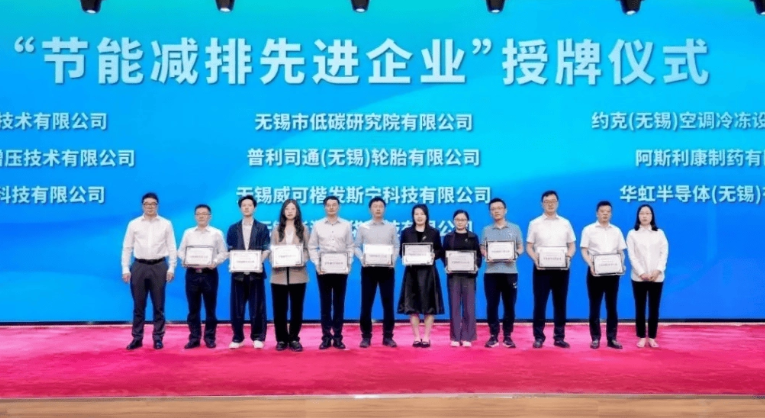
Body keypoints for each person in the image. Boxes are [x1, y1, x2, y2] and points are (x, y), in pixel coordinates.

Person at [121, 192, 177, 350]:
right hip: (139, 266)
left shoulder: (166, 224)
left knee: (159, 305)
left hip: (159, 266)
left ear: (157, 206)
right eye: (147, 204)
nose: (150, 207)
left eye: (153, 204)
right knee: (138, 305)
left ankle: (158, 337)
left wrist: (172, 267)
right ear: (142, 206)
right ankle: (137, 338)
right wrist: (125, 268)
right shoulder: (134, 224)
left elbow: (172, 247)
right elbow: (127, 247)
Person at [526, 191, 576, 349]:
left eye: (553, 201)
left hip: (561, 269)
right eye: (547, 201)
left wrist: (568, 257)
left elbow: (572, 245)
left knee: (560, 303)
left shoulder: (565, 223)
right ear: (542, 204)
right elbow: (529, 246)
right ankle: (538, 337)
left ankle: (559, 337)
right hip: (541, 269)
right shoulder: (534, 223)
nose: (550, 204)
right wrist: (536, 259)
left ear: (558, 203)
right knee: (539, 303)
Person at [177, 204, 228, 349]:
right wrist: (185, 260)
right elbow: (180, 251)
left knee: (210, 308)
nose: (201, 216)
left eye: (204, 213)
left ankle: (210, 337)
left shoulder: (216, 233)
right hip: (192, 274)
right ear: (195, 216)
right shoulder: (188, 233)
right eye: (198, 213)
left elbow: (223, 253)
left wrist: (215, 262)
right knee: (193, 309)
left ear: (209, 216)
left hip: (209, 274)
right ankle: (194, 338)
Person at [308, 196, 354, 350]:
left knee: (339, 304)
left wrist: (348, 263)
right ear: (324, 207)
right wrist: (317, 263)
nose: (332, 207)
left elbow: (350, 246)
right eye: (329, 205)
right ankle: (326, 337)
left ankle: (338, 337)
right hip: (324, 269)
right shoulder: (318, 225)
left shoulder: (346, 225)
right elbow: (312, 246)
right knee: (325, 304)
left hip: (341, 269)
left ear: (338, 207)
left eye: (334, 205)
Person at [580, 200, 627, 349]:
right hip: (595, 272)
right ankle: (595, 338)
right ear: (597, 213)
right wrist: (591, 264)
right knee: (595, 306)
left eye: (608, 211)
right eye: (602, 211)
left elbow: (620, 251)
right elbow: (584, 250)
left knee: (612, 306)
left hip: (613, 273)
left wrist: (621, 265)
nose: (605, 214)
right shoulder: (589, 230)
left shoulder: (616, 231)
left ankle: (612, 338)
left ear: (611, 213)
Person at [354, 197, 400, 348]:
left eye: (381, 206)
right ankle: (366, 336)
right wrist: (363, 258)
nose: (378, 208)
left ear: (384, 209)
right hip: (369, 269)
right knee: (366, 303)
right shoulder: (363, 227)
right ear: (370, 209)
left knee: (388, 303)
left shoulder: (391, 227)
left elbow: (396, 246)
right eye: (375, 206)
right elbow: (356, 246)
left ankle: (388, 336)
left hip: (387, 269)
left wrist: (392, 260)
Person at [226, 195, 271, 349]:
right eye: (243, 205)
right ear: (240, 208)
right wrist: (233, 262)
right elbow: (230, 249)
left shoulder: (262, 228)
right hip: (238, 274)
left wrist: (258, 262)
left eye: (249, 205)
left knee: (258, 307)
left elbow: (266, 249)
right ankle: (238, 337)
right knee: (236, 307)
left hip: (255, 273)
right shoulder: (233, 228)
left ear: (254, 208)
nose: (246, 207)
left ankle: (258, 337)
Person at [397, 204, 445, 348]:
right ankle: (417, 337)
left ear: (426, 216)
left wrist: (434, 255)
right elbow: (401, 252)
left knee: (429, 306)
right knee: (413, 307)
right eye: (416, 214)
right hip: (411, 273)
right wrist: (407, 256)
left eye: (422, 214)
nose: (419, 217)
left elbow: (439, 250)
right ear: (413, 216)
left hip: (429, 273)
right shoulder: (406, 232)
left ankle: (426, 337)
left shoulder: (433, 232)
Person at [480, 198, 524, 349]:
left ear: (505, 210)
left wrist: (515, 254)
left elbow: (521, 247)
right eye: (493, 209)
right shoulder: (486, 230)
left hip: (510, 272)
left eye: (499, 208)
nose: (496, 211)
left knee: (509, 305)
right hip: (491, 273)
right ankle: (493, 335)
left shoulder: (515, 228)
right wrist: (486, 254)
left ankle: (507, 335)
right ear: (490, 212)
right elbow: (482, 248)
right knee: (492, 305)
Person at [270, 199, 310, 352]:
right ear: (283, 211)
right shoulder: (276, 229)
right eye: (287, 209)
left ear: (297, 211)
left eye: (293, 209)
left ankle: (293, 338)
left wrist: (301, 260)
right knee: (279, 309)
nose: (290, 211)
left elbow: (307, 250)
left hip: (298, 274)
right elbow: (271, 250)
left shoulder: (304, 229)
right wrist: (274, 260)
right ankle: (281, 339)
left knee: (296, 308)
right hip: (279, 275)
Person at [626, 204, 669, 349]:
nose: (644, 216)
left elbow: (664, 253)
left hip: (657, 277)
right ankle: (641, 336)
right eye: (642, 213)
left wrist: (658, 270)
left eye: (647, 213)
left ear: (652, 216)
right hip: (639, 277)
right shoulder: (632, 234)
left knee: (654, 307)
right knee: (640, 307)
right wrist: (641, 273)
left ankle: (652, 337)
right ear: (638, 216)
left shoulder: (659, 233)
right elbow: (632, 256)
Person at [443, 209, 482, 347]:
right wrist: (447, 265)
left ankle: (467, 337)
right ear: (453, 221)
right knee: (454, 306)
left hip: (469, 276)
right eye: (457, 220)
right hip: (453, 276)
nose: (460, 222)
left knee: (469, 307)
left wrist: (476, 266)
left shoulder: (473, 237)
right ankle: (455, 337)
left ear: (467, 221)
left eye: (463, 220)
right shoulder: (448, 237)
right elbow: (444, 254)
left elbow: (478, 255)